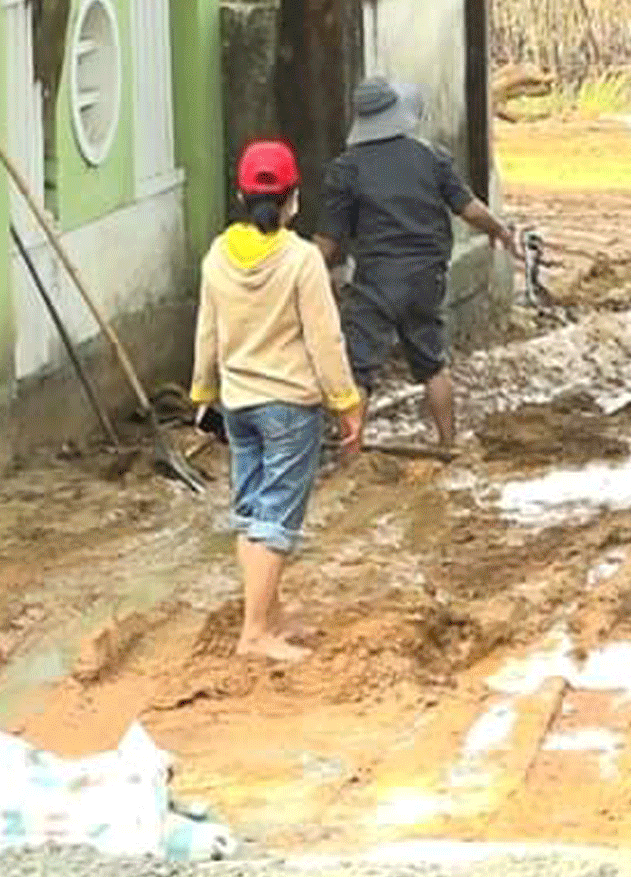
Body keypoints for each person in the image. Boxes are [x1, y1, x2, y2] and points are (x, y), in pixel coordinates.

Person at [188, 140, 364, 662]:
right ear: (293, 200)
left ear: (241, 194)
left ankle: (269, 613)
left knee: (251, 512)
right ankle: (255, 633)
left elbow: (207, 331)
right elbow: (325, 339)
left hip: (239, 404)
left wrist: (203, 395)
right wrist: (346, 402)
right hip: (288, 406)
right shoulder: (301, 260)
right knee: (276, 519)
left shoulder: (218, 255)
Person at [316, 77, 521, 451]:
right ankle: (447, 444)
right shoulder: (432, 157)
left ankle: (353, 453)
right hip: (427, 279)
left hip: (376, 282)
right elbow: (469, 208)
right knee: (432, 365)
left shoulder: (346, 169)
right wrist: (500, 230)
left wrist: (297, 276)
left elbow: (327, 243)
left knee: (359, 370)